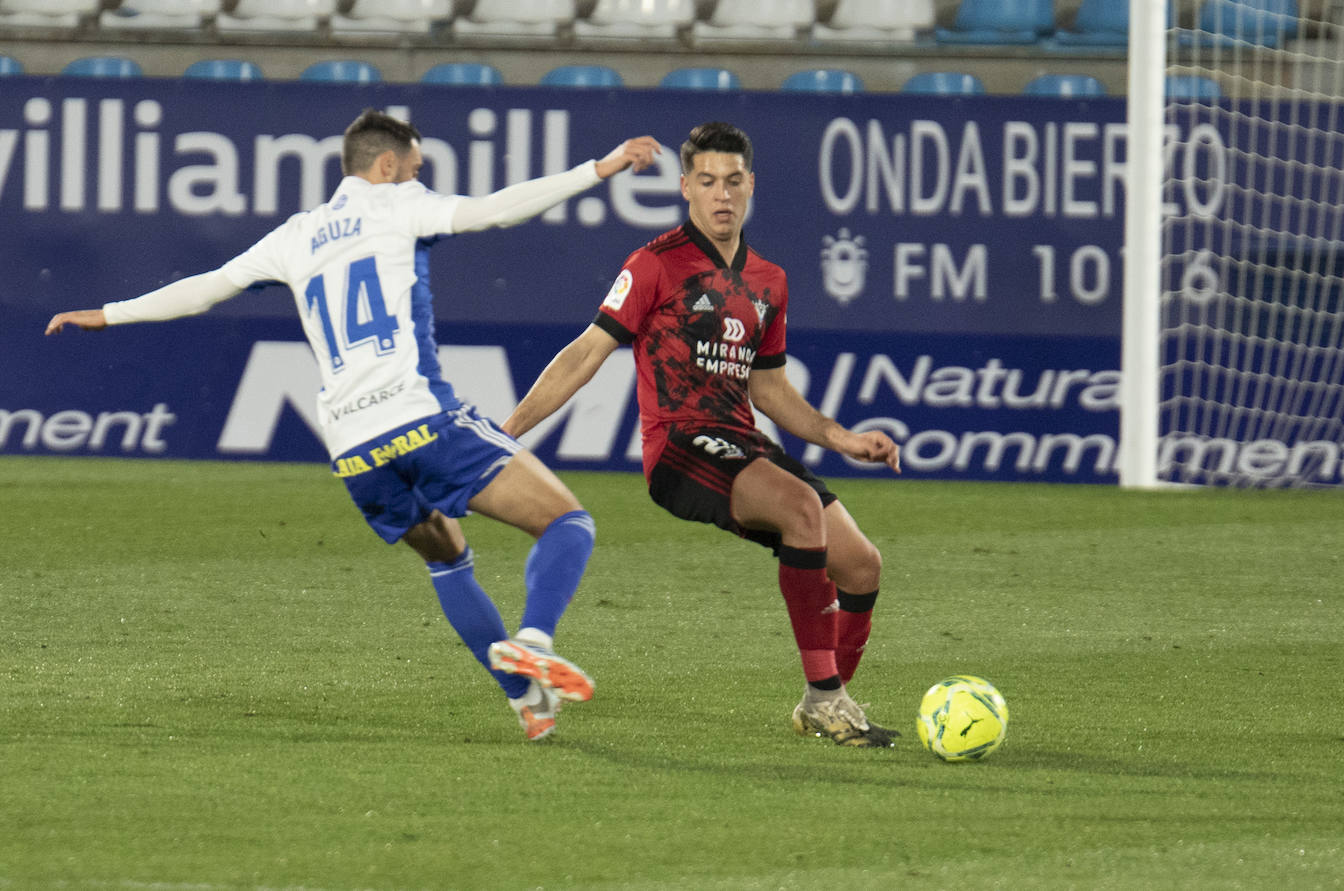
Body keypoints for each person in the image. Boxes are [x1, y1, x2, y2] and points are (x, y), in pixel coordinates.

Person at [46, 109, 662, 742]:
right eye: (416, 169)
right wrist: (600, 168)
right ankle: (532, 639)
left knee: (447, 559)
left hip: (351, 447)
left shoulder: (296, 234)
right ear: (387, 165)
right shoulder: (398, 207)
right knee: (567, 523)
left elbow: (207, 288)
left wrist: (110, 313)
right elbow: (495, 209)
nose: (418, 177)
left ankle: (527, 704)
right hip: (420, 417)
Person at [502, 121, 902, 747]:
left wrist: (840, 437)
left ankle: (826, 700)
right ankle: (827, 700)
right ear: (686, 187)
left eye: (734, 182)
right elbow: (585, 354)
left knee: (860, 565)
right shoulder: (655, 265)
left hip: (743, 442)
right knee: (802, 510)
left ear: (751, 187)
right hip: (680, 447)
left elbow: (768, 390)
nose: (722, 195)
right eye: (708, 182)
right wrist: (508, 433)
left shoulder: (769, 281)